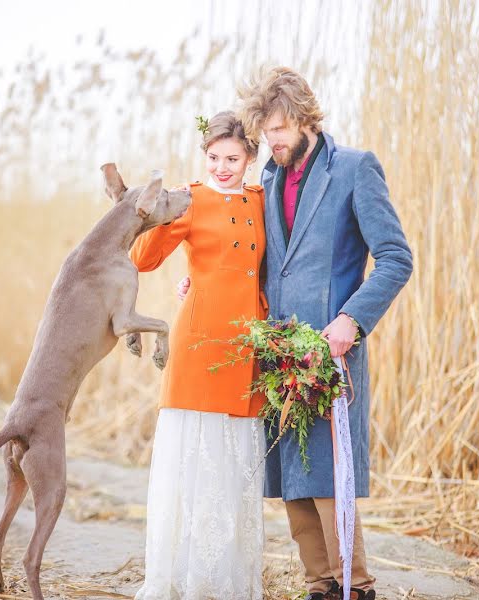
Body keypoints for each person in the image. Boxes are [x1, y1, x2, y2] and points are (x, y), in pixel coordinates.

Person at [237, 67, 413, 600]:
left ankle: (356, 589)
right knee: (292, 477)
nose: (274, 139)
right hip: (279, 352)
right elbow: (264, 262)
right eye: (266, 130)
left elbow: (395, 258)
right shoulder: (266, 179)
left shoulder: (356, 169)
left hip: (331, 353)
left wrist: (352, 319)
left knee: (328, 477)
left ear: (305, 116)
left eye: (281, 127)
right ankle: (319, 586)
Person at [131, 111, 268, 600]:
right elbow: (143, 259)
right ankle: (181, 579)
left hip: (246, 345)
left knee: (233, 467)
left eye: (233, 158)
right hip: (199, 343)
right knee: (193, 460)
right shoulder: (192, 198)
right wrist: (164, 216)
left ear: (251, 157)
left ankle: (222, 581)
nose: (223, 166)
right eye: (214, 158)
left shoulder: (261, 200)